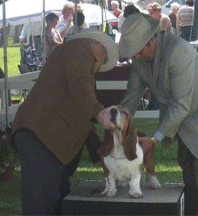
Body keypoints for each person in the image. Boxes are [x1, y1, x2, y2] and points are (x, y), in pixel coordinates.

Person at [118, 13, 198, 215]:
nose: (134, 57)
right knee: (192, 196)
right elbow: (131, 99)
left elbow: (181, 104)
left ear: (151, 40)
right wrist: (116, 125)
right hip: (185, 131)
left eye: (136, 51)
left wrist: (154, 138)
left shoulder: (178, 51)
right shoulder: (139, 61)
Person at [11, 28, 118, 215]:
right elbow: (80, 88)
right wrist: (99, 112)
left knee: (59, 201)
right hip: (41, 136)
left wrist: (104, 150)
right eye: (104, 59)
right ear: (98, 45)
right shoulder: (80, 49)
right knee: (41, 206)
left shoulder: (75, 56)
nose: (101, 66)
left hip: (46, 139)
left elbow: (80, 110)